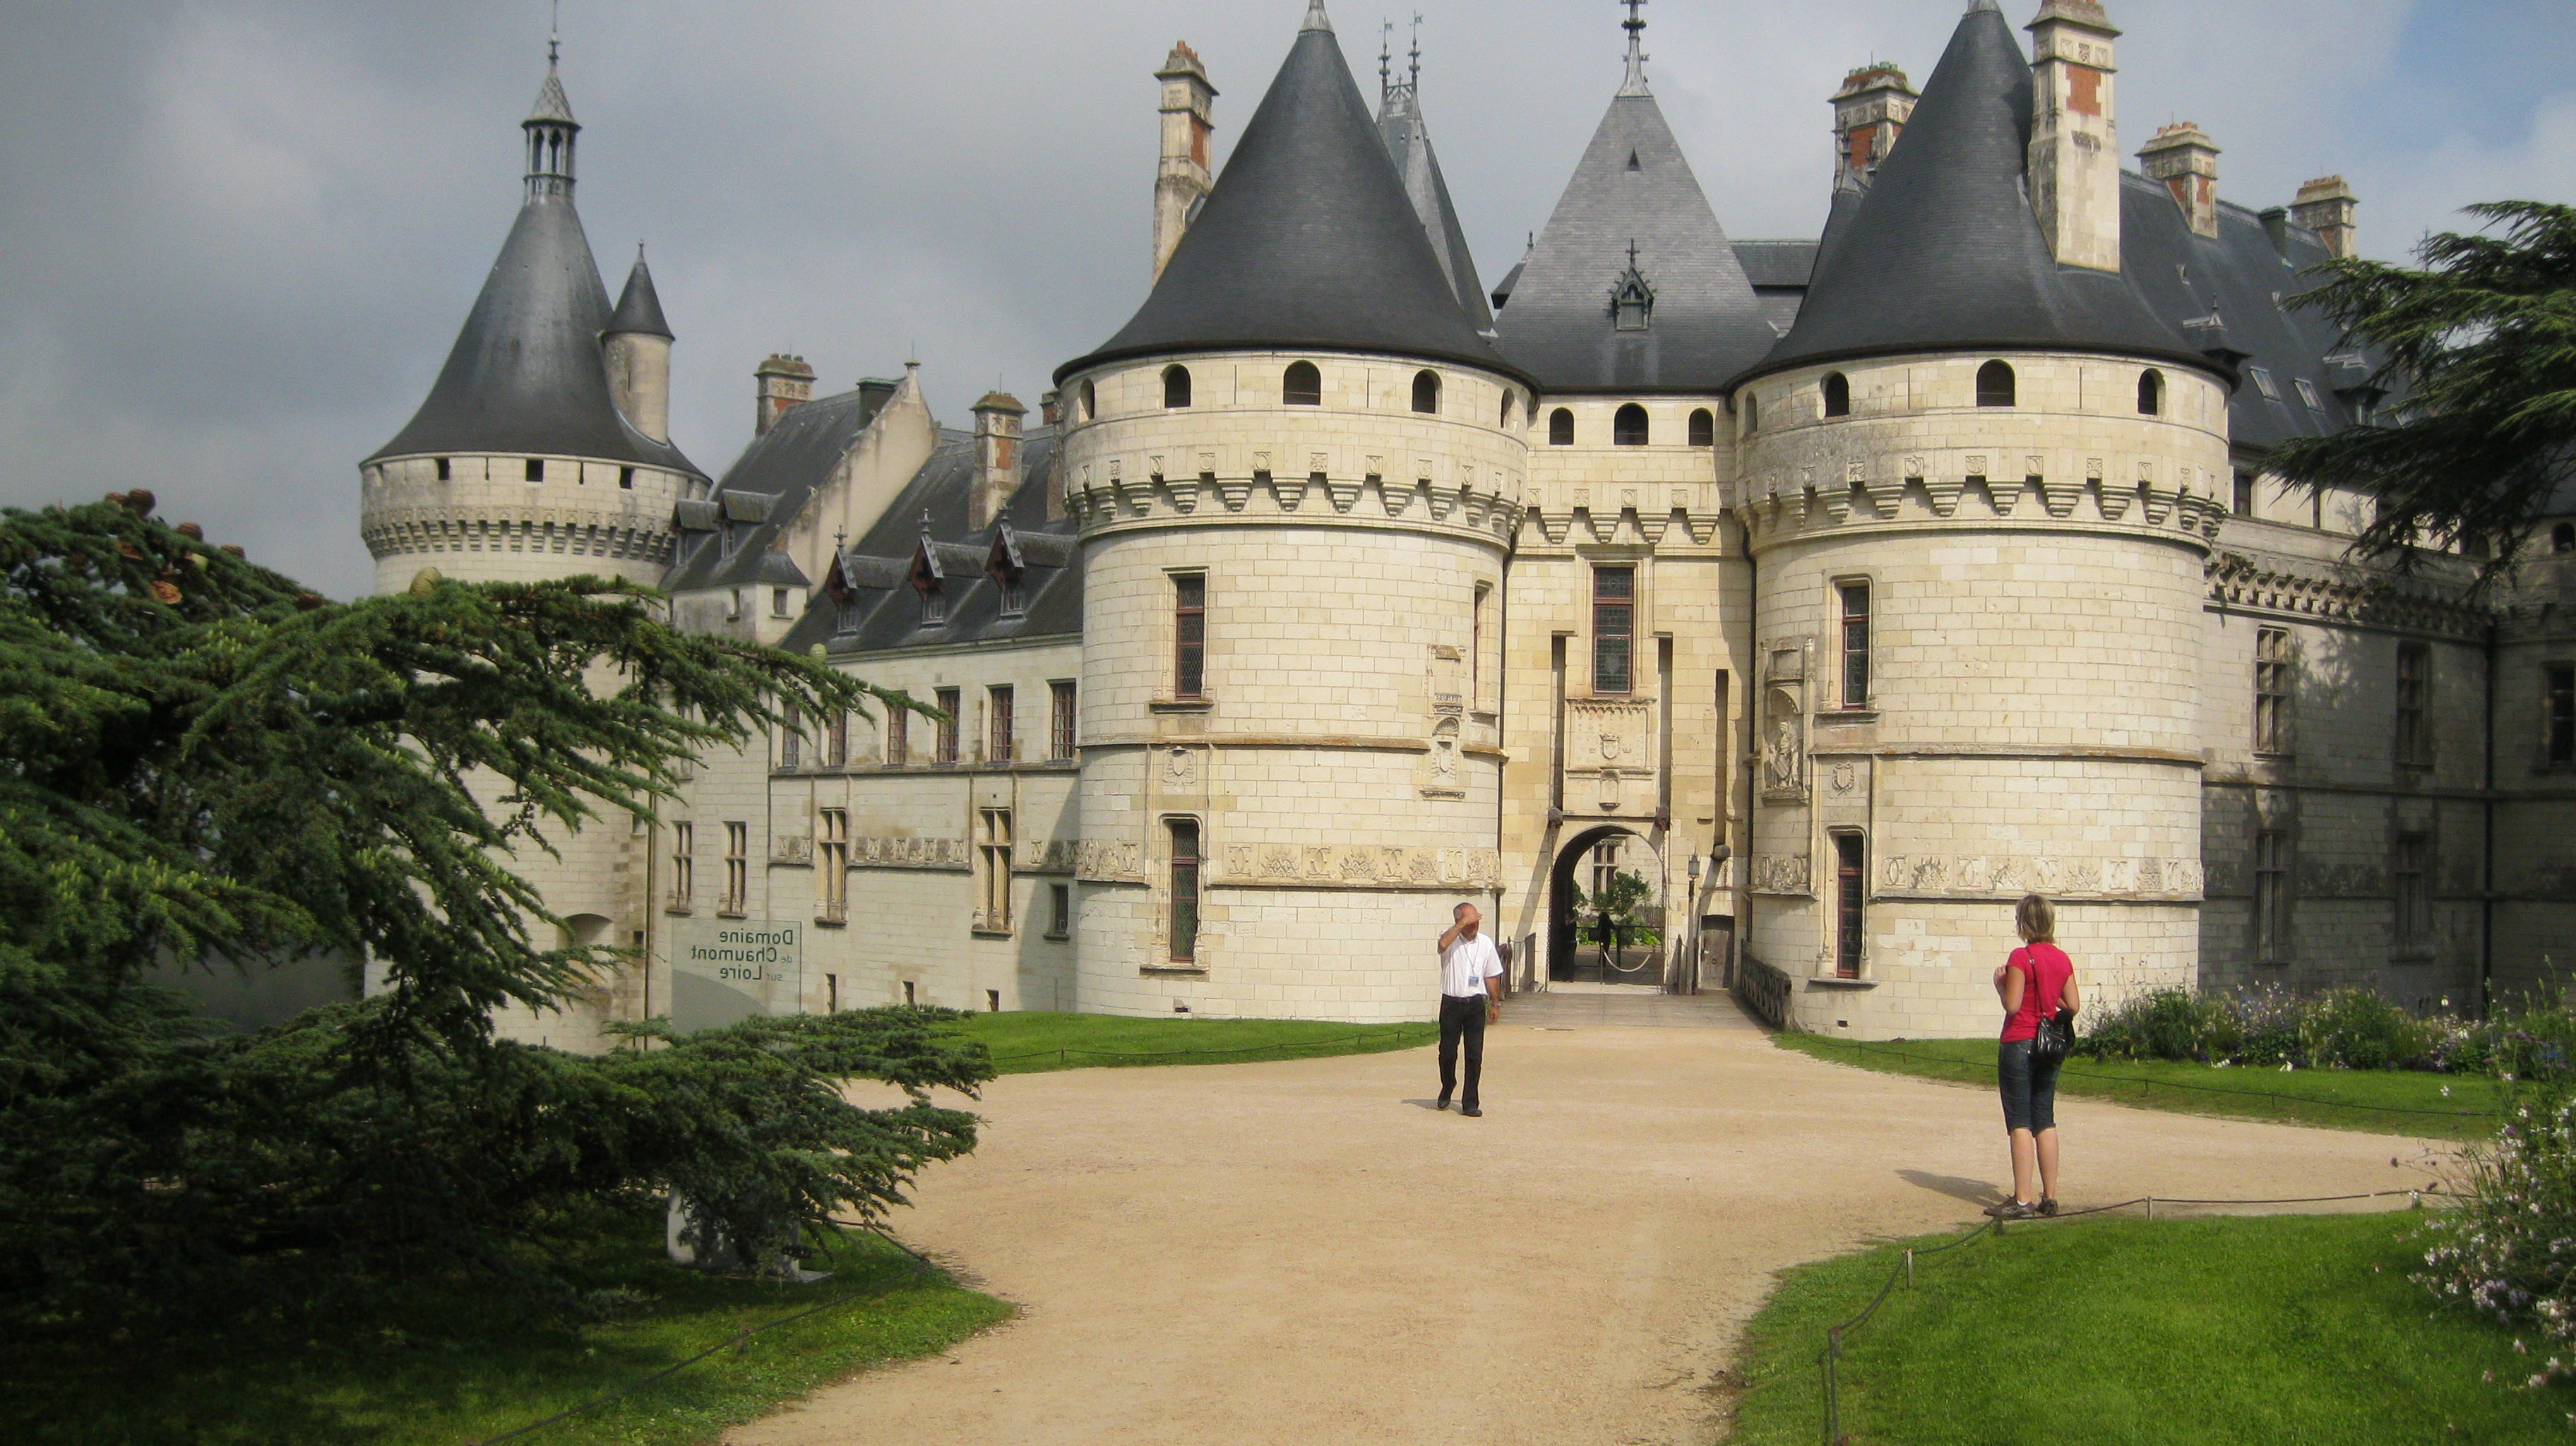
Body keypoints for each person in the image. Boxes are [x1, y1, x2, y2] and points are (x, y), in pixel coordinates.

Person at [1988, 893, 2080, 1219]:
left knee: (2020, 1122)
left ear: (2024, 924)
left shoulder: (2019, 957)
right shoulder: (2061, 958)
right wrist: (2047, 1002)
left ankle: (2022, 1199)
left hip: (2019, 1041)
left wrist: (2001, 984)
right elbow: (2072, 1006)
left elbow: (2012, 1006)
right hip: (2050, 1046)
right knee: (2045, 1117)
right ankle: (2050, 1196)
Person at [1433, 901, 1503, 1116]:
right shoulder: (1450, 940)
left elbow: (1491, 974)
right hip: (1452, 1003)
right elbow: (1442, 945)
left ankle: (1470, 1101)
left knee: (1474, 1055)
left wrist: (1495, 1003)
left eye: (1476, 921)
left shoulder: (1485, 943)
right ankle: (1448, 1084)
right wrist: (1461, 924)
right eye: (1469, 921)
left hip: (1474, 1004)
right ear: (1459, 921)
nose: (1474, 925)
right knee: (1447, 1052)